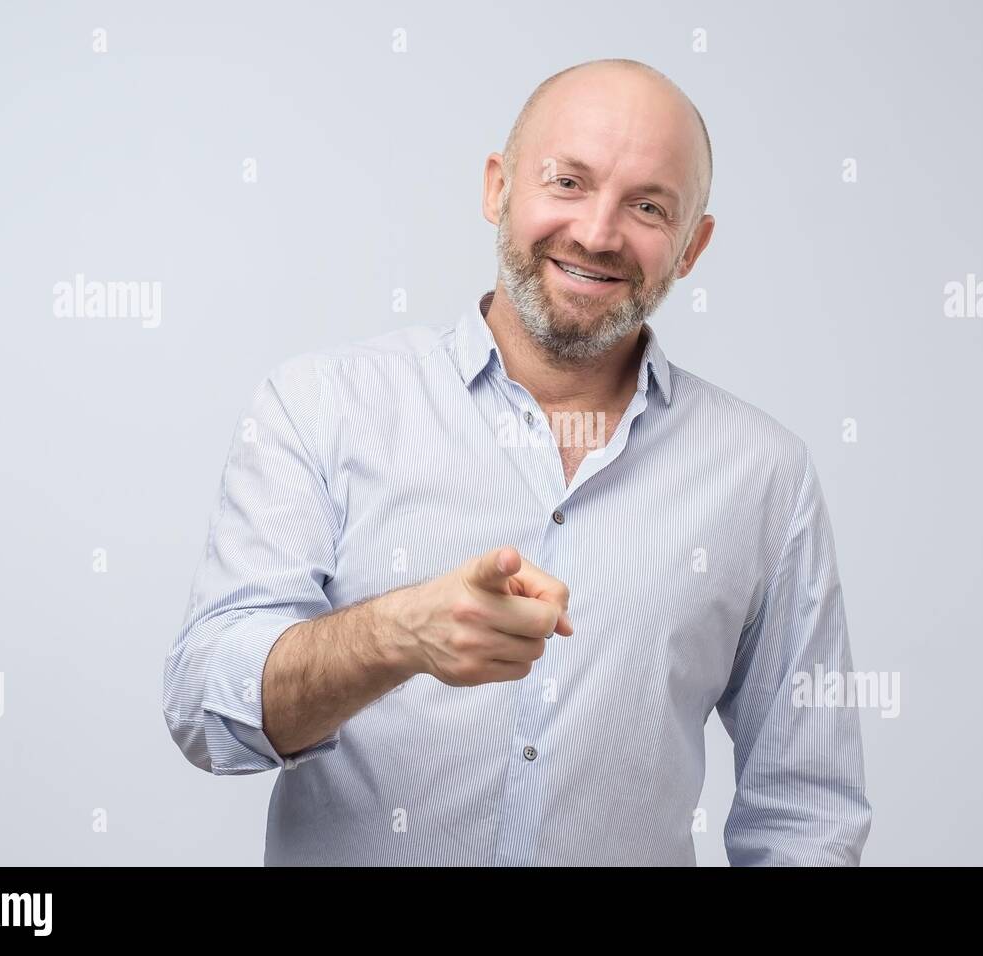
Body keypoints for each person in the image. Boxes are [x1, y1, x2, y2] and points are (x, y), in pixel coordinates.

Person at [163, 57, 873, 866]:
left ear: (692, 246)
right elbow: (204, 709)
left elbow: (807, 812)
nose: (599, 234)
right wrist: (398, 635)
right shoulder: (321, 406)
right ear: (498, 188)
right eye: (567, 182)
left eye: (647, 205)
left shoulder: (764, 476)